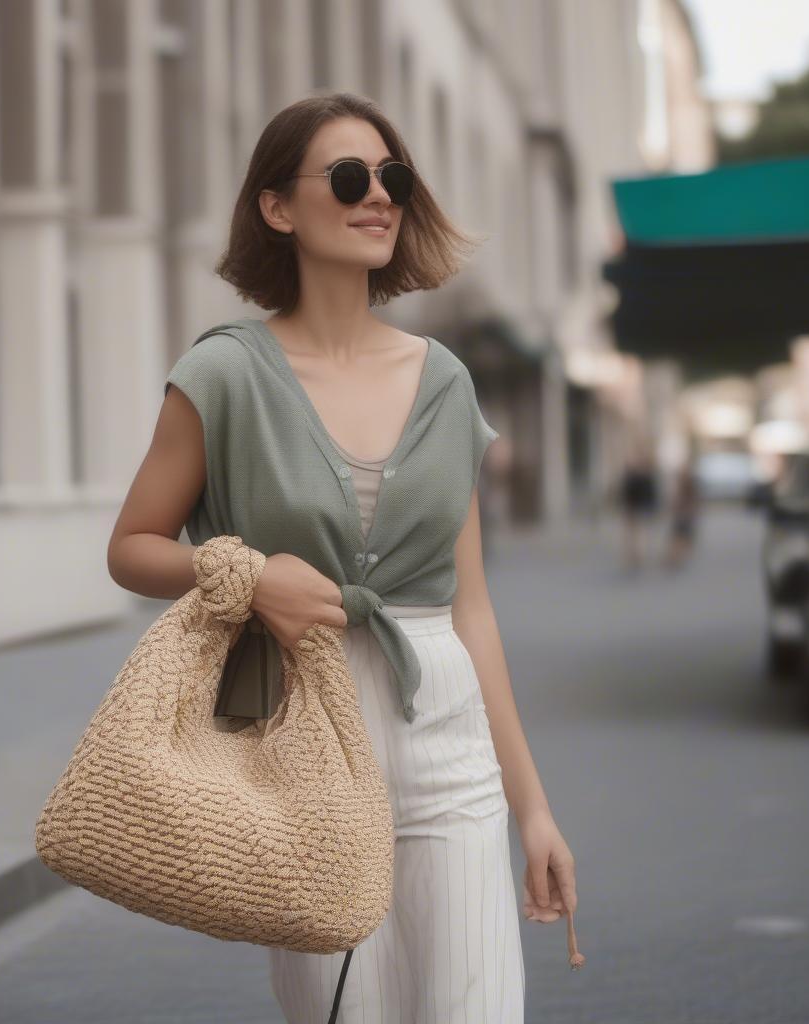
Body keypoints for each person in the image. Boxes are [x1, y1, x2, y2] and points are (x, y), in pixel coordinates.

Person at [107, 92, 577, 1023]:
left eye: (393, 179)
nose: (379, 198)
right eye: (351, 177)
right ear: (278, 207)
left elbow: (470, 609)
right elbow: (132, 547)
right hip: (299, 742)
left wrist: (534, 809)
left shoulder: (445, 381)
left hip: (445, 740)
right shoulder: (225, 374)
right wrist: (246, 573)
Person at [617, 441, 660, 572]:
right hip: (635, 507)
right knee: (635, 533)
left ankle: (637, 555)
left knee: (638, 533)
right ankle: (635, 555)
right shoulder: (640, 473)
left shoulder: (639, 474)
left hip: (637, 507)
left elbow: (650, 492)